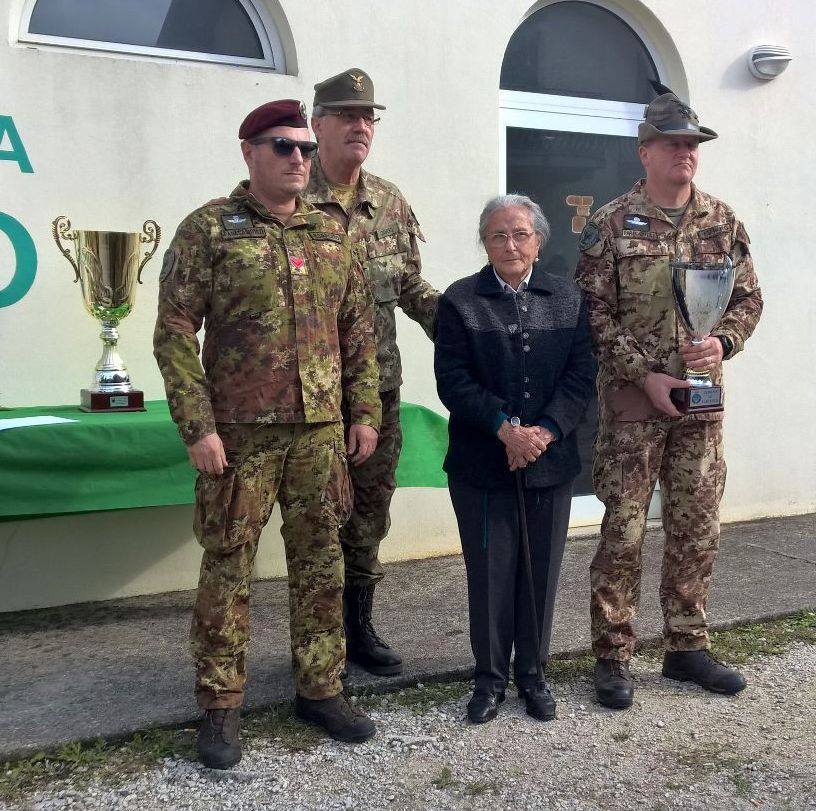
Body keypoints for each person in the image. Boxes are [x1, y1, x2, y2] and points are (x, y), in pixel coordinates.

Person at [153, 99, 382, 768]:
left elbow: (358, 332)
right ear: (249, 151)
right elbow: (172, 331)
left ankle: (321, 687)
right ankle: (220, 706)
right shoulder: (211, 230)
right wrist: (196, 424)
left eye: (306, 149)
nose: (299, 159)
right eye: (283, 146)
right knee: (228, 568)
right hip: (240, 437)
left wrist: (363, 412)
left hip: (319, 435)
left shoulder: (330, 233)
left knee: (321, 564)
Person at [574, 92, 763, 709]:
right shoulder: (611, 221)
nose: (686, 153)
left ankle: (686, 646)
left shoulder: (722, 221)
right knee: (623, 530)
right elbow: (592, 314)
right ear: (646, 150)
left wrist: (724, 343)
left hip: (701, 402)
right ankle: (613, 656)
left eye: (693, 145)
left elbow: (748, 300)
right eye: (675, 143)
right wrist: (645, 371)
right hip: (634, 402)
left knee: (696, 526)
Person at [435, 194, 594, 723]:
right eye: (498, 234)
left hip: (551, 461)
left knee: (541, 572)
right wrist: (505, 428)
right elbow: (453, 382)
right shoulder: (459, 301)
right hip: (482, 466)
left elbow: (580, 377)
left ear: (539, 240)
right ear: (484, 241)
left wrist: (543, 433)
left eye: (520, 233)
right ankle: (489, 678)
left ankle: (533, 674)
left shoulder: (568, 298)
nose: (510, 244)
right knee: (489, 573)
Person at [302, 68, 439, 677]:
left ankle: (358, 629)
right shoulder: (288, 197)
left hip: (378, 393)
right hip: (309, 399)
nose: (361, 126)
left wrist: (472, 327)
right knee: (316, 522)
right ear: (317, 125)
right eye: (347, 116)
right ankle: (317, 642)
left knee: (368, 514)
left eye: (368, 118)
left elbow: (409, 286)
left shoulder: (389, 201)